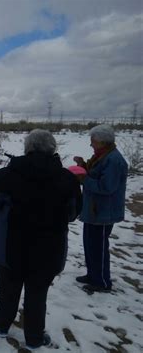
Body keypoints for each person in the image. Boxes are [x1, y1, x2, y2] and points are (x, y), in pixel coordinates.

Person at [0, 129, 82, 349]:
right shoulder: (68, 179)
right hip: (49, 252)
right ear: (53, 149)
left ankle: (1, 325)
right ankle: (34, 338)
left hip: (9, 250)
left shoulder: (4, 176)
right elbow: (73, 214)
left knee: (8, 290)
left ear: (27, 148)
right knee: (37, 295)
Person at [73, 124, 128, 293]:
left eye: (93, 142)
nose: (91, 145)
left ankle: (103, 282)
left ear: (103, 142)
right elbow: (95, 173)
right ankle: (93, 275)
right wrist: (83, 164)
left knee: (99, 247)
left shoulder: (114, 160)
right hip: (93, 210)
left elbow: (107, 187)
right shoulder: (102, 155)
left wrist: (83, 179)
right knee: (90, 244)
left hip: (104, 212)